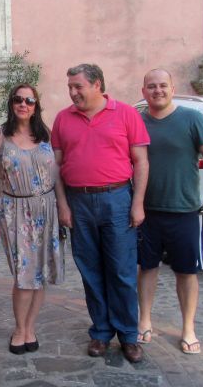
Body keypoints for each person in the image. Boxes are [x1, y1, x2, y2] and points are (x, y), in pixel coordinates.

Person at [51, 63, 150, 363]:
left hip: (117, 199)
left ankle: (128, 336)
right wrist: (62, 204)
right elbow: (56, 166)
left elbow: (141, 162)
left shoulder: (126, 114)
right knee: (90, 270)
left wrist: (138, 203)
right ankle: (101, 332)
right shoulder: (62, 119)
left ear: (97, 85)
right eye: (70, 87)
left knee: (121, 270)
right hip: (79, 202)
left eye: (78, 86)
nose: (72, 92)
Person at [136, 69, 203, 355]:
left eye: (163, 85)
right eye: (151, 86)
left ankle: (188, 328)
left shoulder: (191, 118)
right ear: (143, 91)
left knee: (186, 272)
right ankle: (144, 321)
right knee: (146, 268)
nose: (157, 90)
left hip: (184, 210)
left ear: (172, 88)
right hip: (146, 211)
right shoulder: (137, 122)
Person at [0, 84, 65, 355]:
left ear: (36, 105)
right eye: (18, 100)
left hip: (46, 208)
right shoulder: (0, 135)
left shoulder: (46, 135)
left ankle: (30, 328)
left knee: (40, 273)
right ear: (11, 103)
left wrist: (63, 207)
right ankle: (19, 328)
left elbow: (57, 176)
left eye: (30, 101)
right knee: (23, 275)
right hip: (15, 210)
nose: (24, 104)